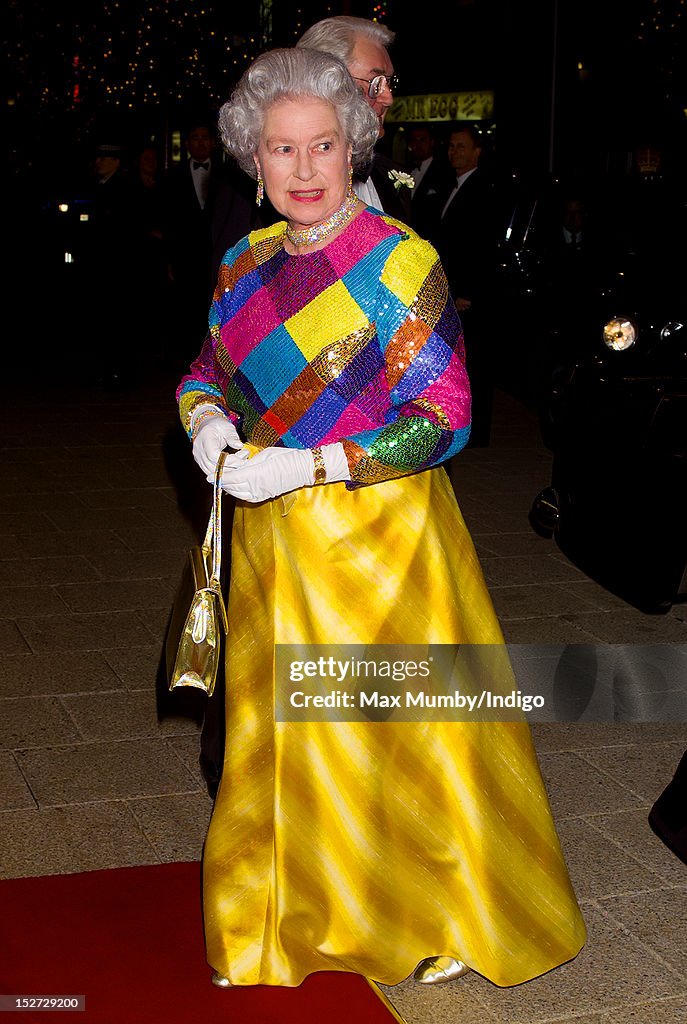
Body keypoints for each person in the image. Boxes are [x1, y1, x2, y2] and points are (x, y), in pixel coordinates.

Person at [176, 46, 585, 991]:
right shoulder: (245, 260)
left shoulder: (402, 260)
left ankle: (431, 912)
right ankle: (284, 917)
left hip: (384, 538)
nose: (306, 171)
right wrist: (203, 422)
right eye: (282, 151)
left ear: (354, 146)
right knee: (284, 736)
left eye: (324, 146)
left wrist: (313, 461)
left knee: (398, 733)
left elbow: (446, 419)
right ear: (253, 157)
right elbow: (209, 374)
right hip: (275, 543)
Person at [297, 15, 413, 223]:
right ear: (323, 84)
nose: (388, 98)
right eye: (375, 82)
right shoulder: (274, 189)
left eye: (389, 83)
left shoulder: (388, 176)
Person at [436, 124, 498, 446]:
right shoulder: (454, 186)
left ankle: (475, 431)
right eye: (451, 146)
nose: (453, 151)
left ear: (477, 152)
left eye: (461, 146)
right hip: (453, 288)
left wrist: (467, 291)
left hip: (467, 295)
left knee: (474, 362)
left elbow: (481, 246)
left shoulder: (482, 189)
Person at [408, 124, 453, 240]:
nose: (417, 145)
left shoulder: (443, 172)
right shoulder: (404, 169)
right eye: (414, 140)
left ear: (432, 142)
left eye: (422, 140)